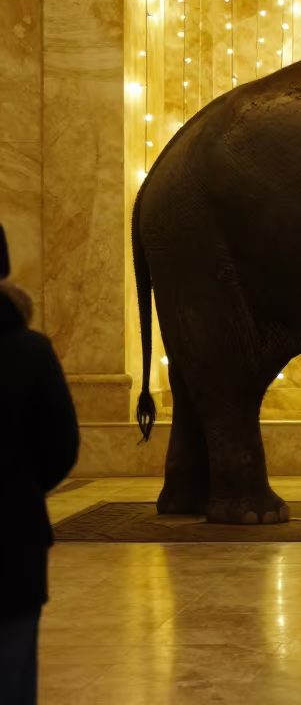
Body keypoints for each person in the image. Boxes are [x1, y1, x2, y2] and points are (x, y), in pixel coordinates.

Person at [0, 224, 80, 704]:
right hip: (10, 534)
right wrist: (22, 488)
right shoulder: (29, 353)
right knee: (12, 667)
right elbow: (61, 446)